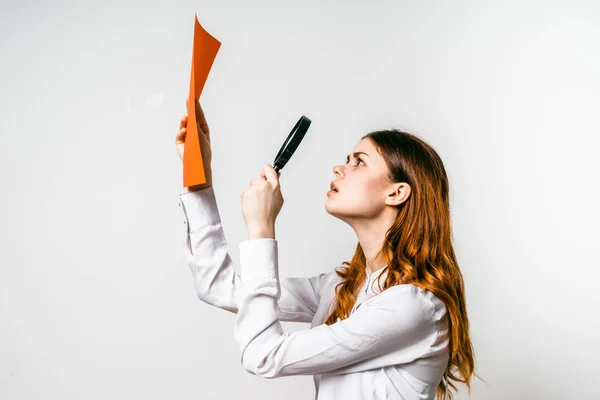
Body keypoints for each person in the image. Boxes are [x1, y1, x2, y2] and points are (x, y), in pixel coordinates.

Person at [175, 99, 477, 400]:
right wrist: (199, 180)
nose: (339, 167)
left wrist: (261, 229)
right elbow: (218, 287)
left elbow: (263, 355)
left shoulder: (412, 307)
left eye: (358, 161)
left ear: (397, 192)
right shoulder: (340, 288)